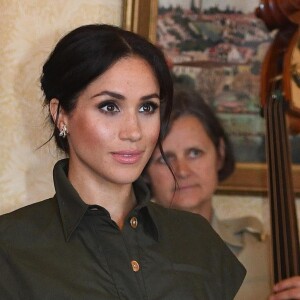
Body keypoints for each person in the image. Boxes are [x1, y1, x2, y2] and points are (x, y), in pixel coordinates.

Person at [0, 24, 245, 299]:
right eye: (109, 107)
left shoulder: (197, 239)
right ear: (61, 115)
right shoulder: (9, 249)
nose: (134, 132)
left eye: (146, 107)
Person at [145, 86, 300, 300]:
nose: (181, 171)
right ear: (145, 170)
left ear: (220, 154)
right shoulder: (123, 257)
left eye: (194, 153)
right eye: (164, 159)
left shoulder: (265, 254)